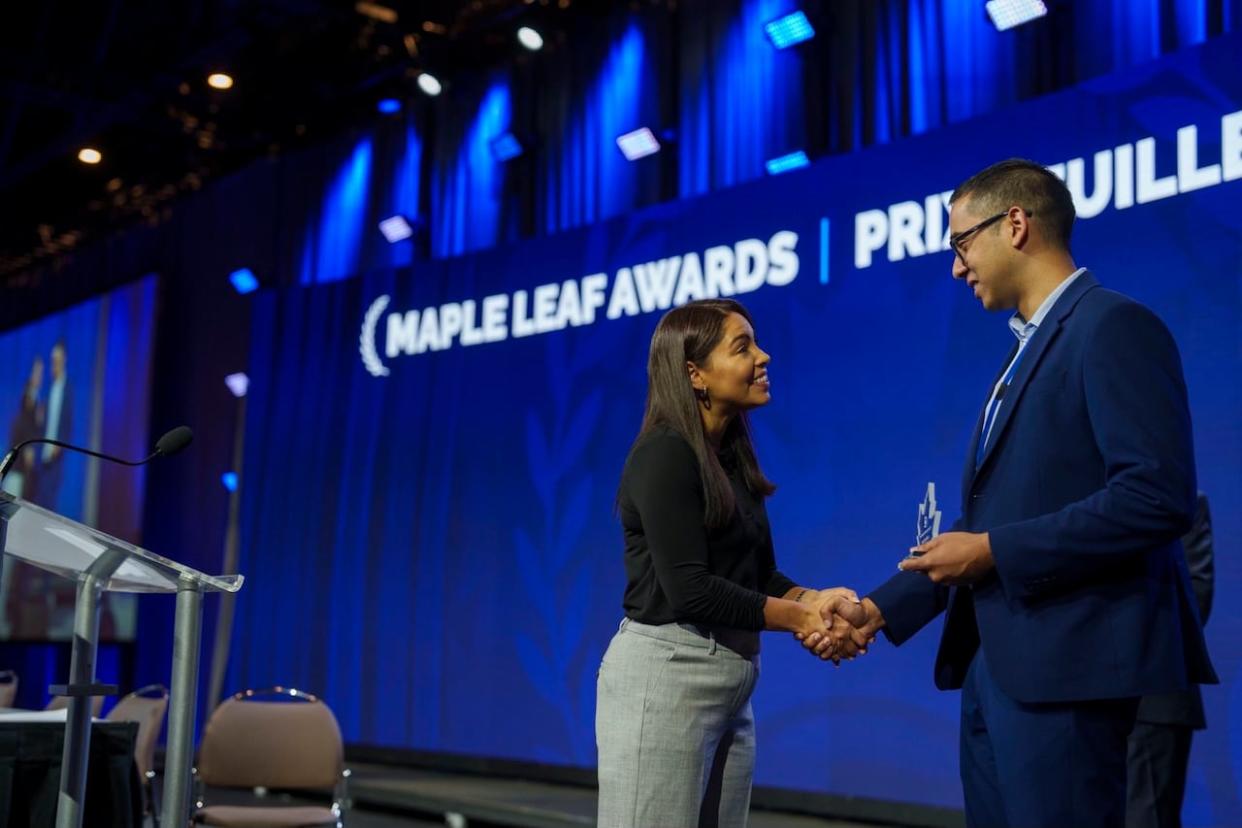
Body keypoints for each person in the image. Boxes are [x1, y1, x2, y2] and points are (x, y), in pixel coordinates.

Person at [833, 159, 1216, 827]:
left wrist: (994, 552)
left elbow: (1157, 496)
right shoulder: (1018, 358)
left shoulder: (1113, 327)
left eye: (960, 244)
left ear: (1014, 224)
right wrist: (881, 610)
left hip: (1069, 670)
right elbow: (988, 520)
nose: (956, 268)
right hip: (996, 670)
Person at [596, 298, 864, 828]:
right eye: (743, 347)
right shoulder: (664, 453)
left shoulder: (731, 457)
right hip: (667, 680)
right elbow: (690, 591)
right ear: (694, 374)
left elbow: (758, 576)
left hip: (732, 686)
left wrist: (815, 600)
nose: (764, 357)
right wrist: (801, 620)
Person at [1127, 491, 1214, 828]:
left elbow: (1197, 598)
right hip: (1081, 701)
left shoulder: (1182, 501)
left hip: (1154, 700)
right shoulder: (1075, 501)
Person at [36, 339, 72, 509]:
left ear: (63, 359)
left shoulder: (68, 389)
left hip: (56, 458)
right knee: (39, 500)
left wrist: (60, 446)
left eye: (57, 360)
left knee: (49, 503)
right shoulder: (49, 389)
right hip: (42, 455)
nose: (54, 364)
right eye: (52, 361)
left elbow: (68, 424)